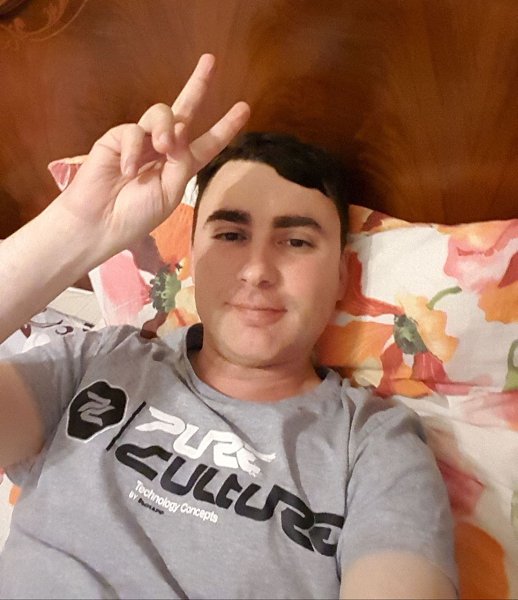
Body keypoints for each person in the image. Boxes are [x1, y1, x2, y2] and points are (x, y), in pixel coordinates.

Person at [0, 54, 457, 599]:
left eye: (296, 241)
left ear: (341, 276)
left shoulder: (376, 447)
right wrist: (75, 230)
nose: (257, 270)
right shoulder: (98, 361)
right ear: (192, 258)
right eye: (231, 235)